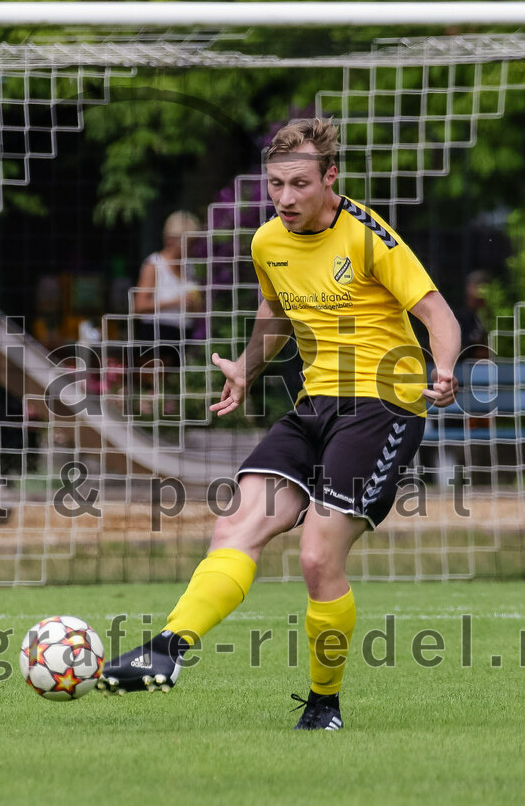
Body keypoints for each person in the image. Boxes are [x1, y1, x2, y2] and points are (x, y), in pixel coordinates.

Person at [98, 117, 461, 731]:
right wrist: (245, 368)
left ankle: (324, 704)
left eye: (299, 184)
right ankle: (166, 650)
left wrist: (445, 368)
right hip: (315, 405)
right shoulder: (268, 241)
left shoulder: (367, 236)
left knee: (317, 558)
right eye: (275, 184)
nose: (286, 198)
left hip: (383, 407)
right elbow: (276, 310)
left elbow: (437, 312)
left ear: (330, 178)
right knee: (236, 524)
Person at [127, 211, 203, 413]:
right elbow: (139, 305)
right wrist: (176, 301)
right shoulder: (154, 264)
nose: (191, 248)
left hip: (183, 337)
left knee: (176, 395)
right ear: (171, 239)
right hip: (156, 337)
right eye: (187, 243)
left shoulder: (190, 268)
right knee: (154, 393)